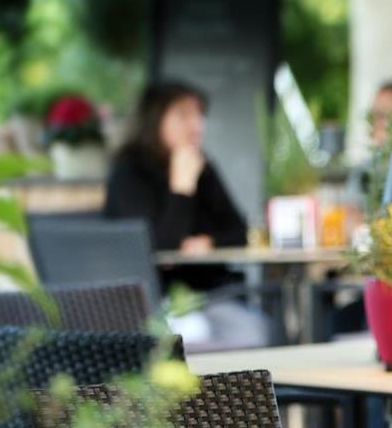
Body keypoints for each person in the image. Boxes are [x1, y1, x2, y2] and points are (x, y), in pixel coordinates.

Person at [104, 80, 270, 349]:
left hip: (209, 295)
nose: (196, 125)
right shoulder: (130, 172)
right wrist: (182, 188)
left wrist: (209, 242)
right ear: (154, 119)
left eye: (199, 115)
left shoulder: (201, 166)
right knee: (243, 335)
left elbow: (239, 231)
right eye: (183, 115)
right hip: (155, 301)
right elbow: (159, 248)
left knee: (259, 330)